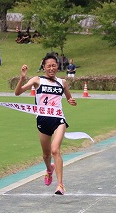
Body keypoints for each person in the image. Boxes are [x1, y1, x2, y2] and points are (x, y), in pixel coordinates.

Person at [14, 53, 77, 195]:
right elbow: (17, 93)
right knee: (46, 155)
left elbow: (69, 98)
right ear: (44, 67)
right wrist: (22, 78)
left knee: (55, 150)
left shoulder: (62, 82)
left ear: (58, 67)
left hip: (58, 119)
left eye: (54, 65)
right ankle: (49, 169)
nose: (51, 68)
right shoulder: (37, 80)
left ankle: (60, 184)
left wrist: (71, 101)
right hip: (42, 120)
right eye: (48, 66)